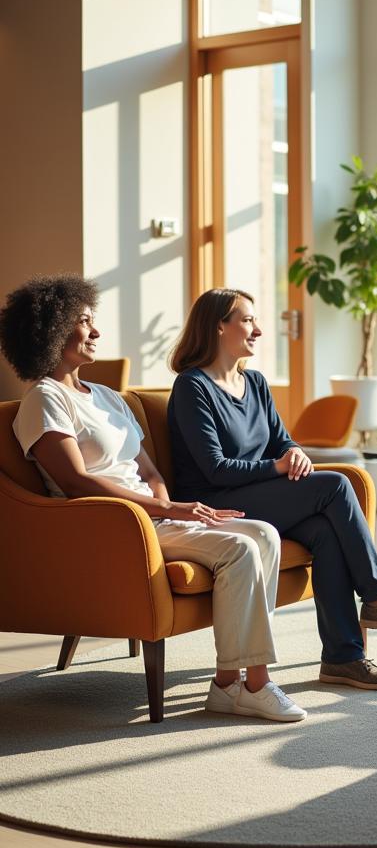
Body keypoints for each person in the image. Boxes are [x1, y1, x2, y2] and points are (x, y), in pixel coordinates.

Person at [0, 275, 305, 723]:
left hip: (153, 519)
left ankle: (226, 684)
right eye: (84, 321)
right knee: (240, 547)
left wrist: (169, 508)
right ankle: (254, 685)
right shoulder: (43, 401)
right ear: (52, 330)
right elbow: (78, 481)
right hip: (110, 526)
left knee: (264, 535)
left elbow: (149, 470)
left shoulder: (106, 396)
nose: (96, 331)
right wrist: (166, 510)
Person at [167, 288, 377, 692]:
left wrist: (293, 453)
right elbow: (216, 468)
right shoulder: (193, 388)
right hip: (215, 503)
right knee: (335, 484)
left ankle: (342, 659)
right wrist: (277, 466)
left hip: (257, 494)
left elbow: (282, 440)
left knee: (326, 532)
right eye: (247, 320)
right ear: (217, 326)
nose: (258, 330)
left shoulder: (255, 383)